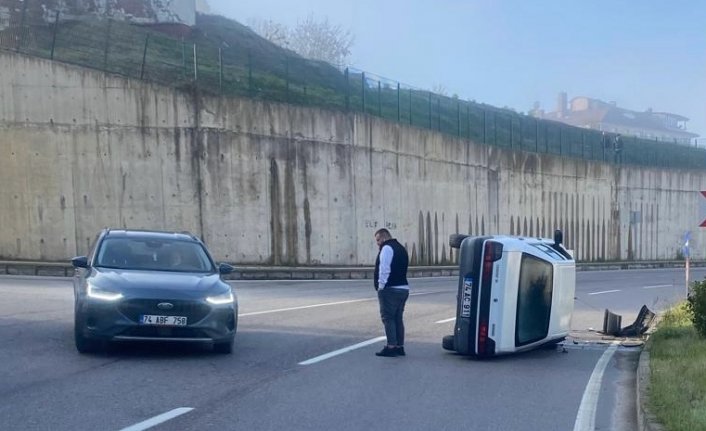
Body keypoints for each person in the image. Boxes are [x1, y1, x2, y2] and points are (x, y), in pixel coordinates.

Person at [373, 228, 410, 357]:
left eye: (378, 240)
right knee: (398, 318)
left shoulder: (387, 248)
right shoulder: (401, 248)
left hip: (390, 289)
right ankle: (400, 347)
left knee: (388, 318)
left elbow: (384, 269)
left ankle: (391, 346)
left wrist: (381, 287)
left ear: (384, 237)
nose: (377, 243)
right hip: (403, 288)